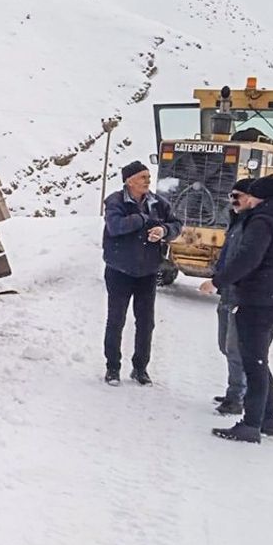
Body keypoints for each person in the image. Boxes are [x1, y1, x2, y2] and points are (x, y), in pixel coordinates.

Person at [201, 174, 273, 443]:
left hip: (257, 300)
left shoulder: (262, 220)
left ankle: (251, 425)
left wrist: (217, 281)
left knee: (253, 363)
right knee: (259, 360)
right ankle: (270, 420)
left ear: (261, 197)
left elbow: (247, 258)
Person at [102, 161, 184, 386]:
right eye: (142, 177)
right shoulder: (115, 202)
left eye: (148, 176)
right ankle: (112, 367)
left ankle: (140, 368)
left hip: (147, 272)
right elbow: (115, 227)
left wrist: (165, 230)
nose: (148, 180)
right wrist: (143, 219)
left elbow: (177, 224)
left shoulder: (158, 203)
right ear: (129, 181)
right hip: (119, 271)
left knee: (146, 322)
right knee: (116, 320)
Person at [199, 178, 255, 415]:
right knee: (225, 345)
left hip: (239, 295)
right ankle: (237, 390)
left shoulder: (253, 226)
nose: (233, 201)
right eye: (231, 196)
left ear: (250, 199)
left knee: (235, 348)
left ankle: (236, 397)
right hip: (227, 292)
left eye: (238, 196)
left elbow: (243, 261)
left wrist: (220, 280)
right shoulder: (237, 221)